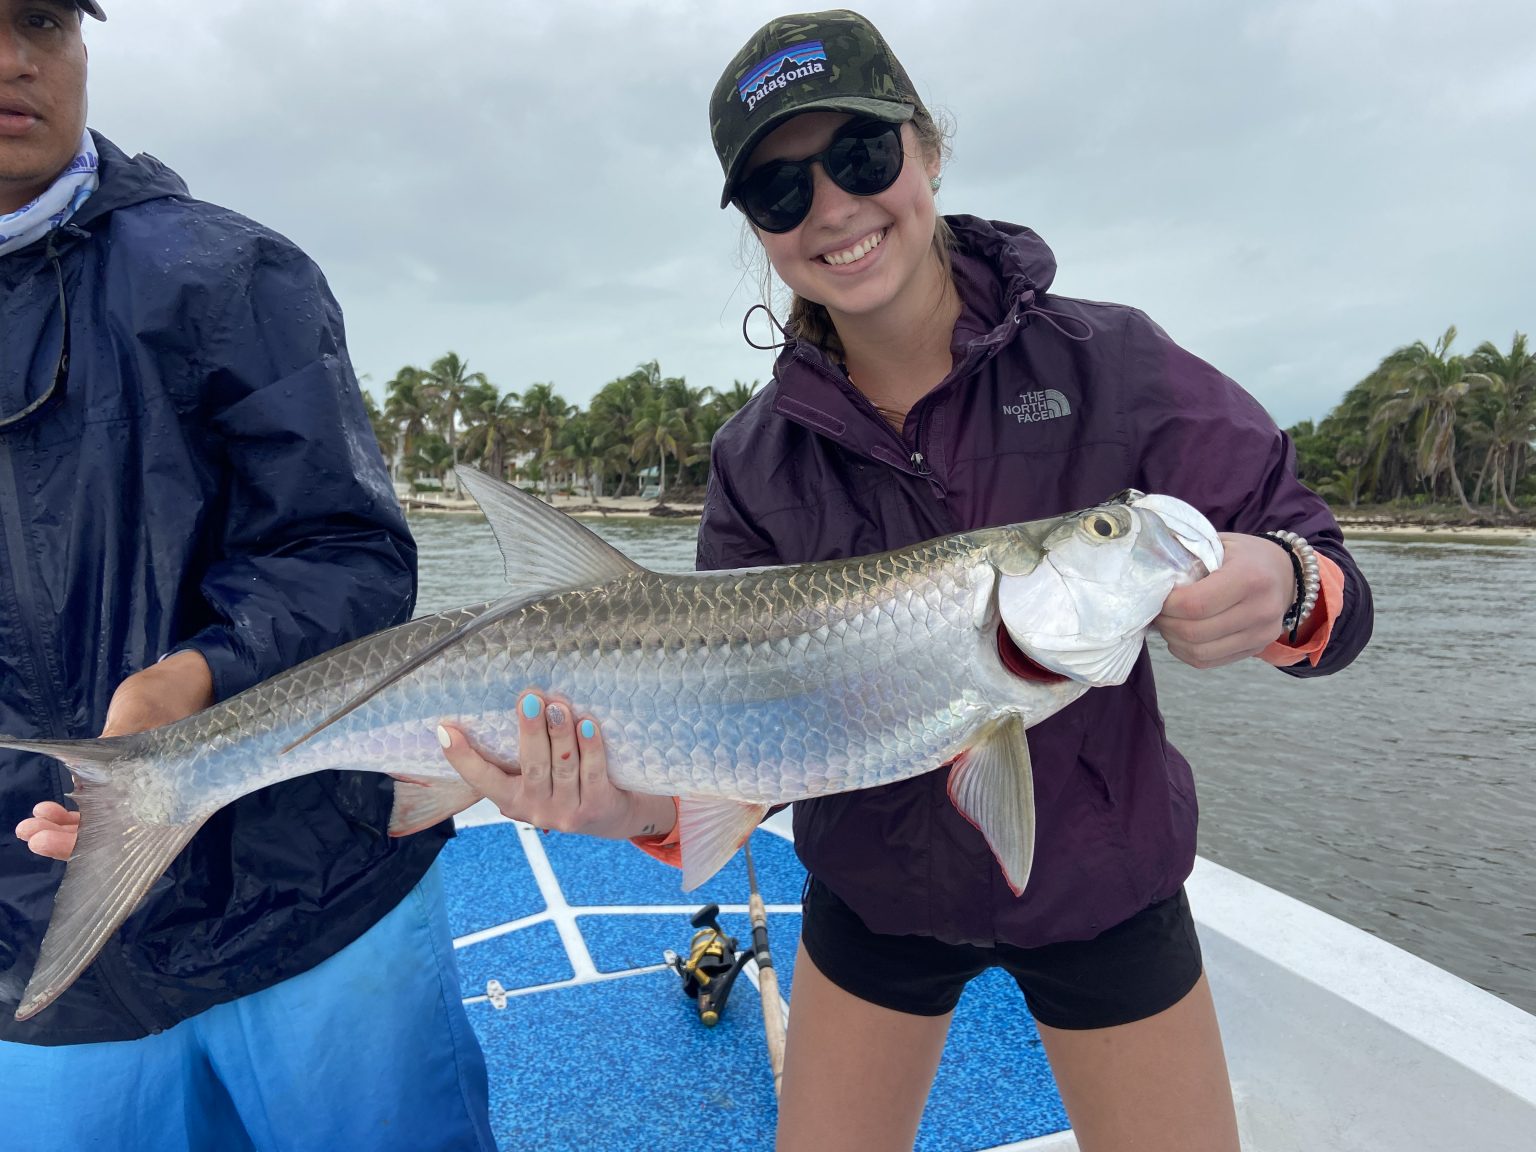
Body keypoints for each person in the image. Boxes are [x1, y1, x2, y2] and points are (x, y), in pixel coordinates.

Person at [440, 8, 1374, 1151]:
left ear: (926, 149)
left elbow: (1332, 590)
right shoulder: (756, 455)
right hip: (874, 901)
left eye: (862, 155)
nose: (832, 206)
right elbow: (740, 760)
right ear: (757, 229)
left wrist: (1282, 583)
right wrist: (616, 806)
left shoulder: (1113, 363)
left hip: (1103, 887)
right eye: (781, 192)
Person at [0, 4, 493, 1150]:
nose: (13, 57)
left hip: (308, 898)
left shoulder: (234, 272)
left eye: (39, 19)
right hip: (37, 942)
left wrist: (201, 677)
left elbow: (351, 552)